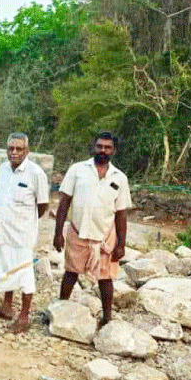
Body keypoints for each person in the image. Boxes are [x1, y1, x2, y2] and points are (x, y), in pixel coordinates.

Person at [54, 131, 131, 327]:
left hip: (104, 236)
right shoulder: (77, 170)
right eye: (100, 146)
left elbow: (121, 214)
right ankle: (60, 309)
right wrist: (58, 234)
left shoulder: (120, 178)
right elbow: (64, 203)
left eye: (107, 147)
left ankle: (107, 319)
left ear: (114, 151)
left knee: (105, 279)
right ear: (93, 147)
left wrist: (121, 244)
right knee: (71, 272)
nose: (103, 150)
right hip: (78, 231)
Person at [0, 133, 50, 333]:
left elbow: (42, 206)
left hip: (22, 234)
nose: (14, 152)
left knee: (24, 273)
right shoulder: (4, 168)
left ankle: (24, 317)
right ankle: (6, 307)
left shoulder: (36, 173)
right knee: (5, 267)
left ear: (27, 151)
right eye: (11, 148)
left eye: (19, 149)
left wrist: (25, 222)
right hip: (3, 229)